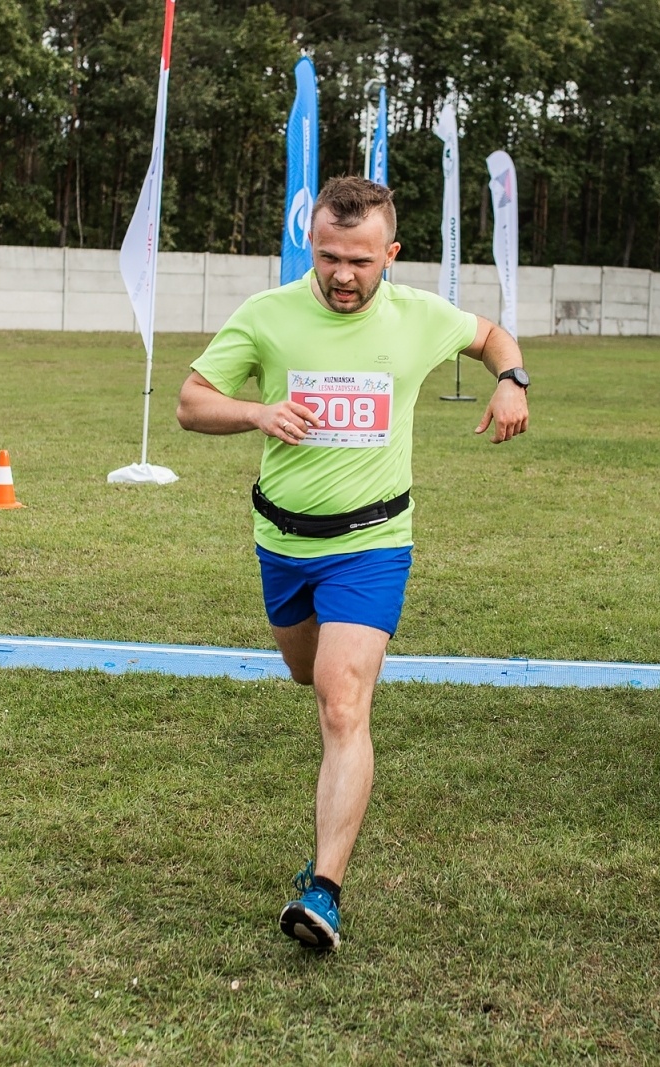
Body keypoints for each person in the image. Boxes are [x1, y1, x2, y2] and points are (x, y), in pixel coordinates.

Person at [176, 176, 530, 949]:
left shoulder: (419, 317)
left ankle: (324, 890)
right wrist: (256, 411)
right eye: (330, 257)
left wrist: (511, 380)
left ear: (390, 254)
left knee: (342, 703)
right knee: (306, 673)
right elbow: (190, 402)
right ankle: (327, 840)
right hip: (284, 543)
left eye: (361, 261)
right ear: (311, 244)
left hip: (373, 543)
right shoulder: (266, 316)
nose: (344, 275)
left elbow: (492, 337)